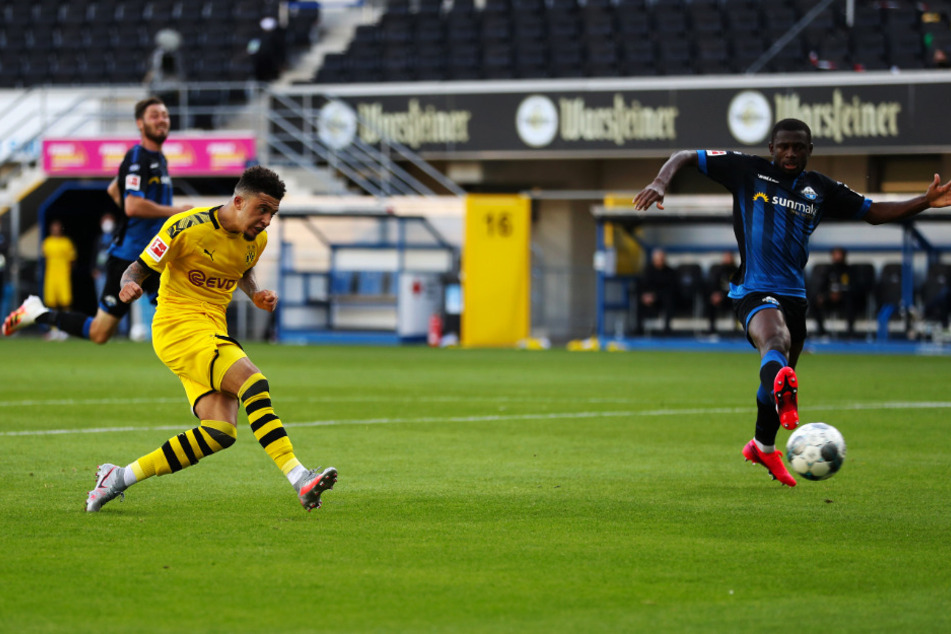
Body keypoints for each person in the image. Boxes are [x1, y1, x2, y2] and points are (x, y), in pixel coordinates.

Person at [632, 118, 951, 487]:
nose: (790, 153)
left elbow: (874, 212)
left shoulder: (821, 188)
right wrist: (660, 181)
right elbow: (685, 155)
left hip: (795, 296)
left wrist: (925, 202)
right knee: (775, 341)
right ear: (771, 148)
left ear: (809, 150)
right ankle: (776, 400)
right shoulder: (746, 170)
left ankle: (763, 446)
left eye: (798, 147)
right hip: (752, 288)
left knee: (777, 378)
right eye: (783, 146)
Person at [85, 165, 337, 513]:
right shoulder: (186, 227)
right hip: (178, 327)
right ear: (237, 200)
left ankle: (116, 477)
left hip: (212, 330)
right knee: (253, 382)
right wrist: (129, 284)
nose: (266, 220)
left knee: (219, 432)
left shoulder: (257, 239)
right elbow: (138, 266)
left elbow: (242, 267)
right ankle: (300, 478)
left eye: (273, 213)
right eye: (261, 209)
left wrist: (254, 293)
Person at [3, 97, 191, 340]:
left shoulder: (159, 159)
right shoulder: (138, 156)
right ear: (140, 123)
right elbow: (132, 206)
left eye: (165, 115)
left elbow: (115, 189)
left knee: (181, 317)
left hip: (155, 254)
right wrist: (175, 212)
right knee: (100, 332)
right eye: (154, 115)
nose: (162, 120)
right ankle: (37, 313)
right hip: (129, 257)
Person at [41, 219, 77, 339]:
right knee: (51, 303)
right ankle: (54, 329)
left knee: (66, 302)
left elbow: (72, 260)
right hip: (51, 276)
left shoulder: (67, 242)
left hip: (63, 276)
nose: (55, 230)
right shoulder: (47, 242)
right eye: (53, 227)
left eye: (57, 227)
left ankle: (66, 329)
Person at [811, 246, 856, 338]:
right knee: (814, 301)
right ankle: (822, 332)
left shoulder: (849, 271)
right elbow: (823, 286)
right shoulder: (828, 270)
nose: (837, 257)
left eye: (839, 254)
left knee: (851, 301)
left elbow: (853, 287)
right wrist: (823, 295)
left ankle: (850, 333)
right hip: (830, 298)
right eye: (835, 254)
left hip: (845, 298)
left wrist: (840, 294)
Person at [633, 247, 677, 335]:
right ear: (653, 259)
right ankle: (639, 328)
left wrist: (655, 296)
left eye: (661, 259)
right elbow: (641, 285)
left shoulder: (670, 272)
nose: (660, 261)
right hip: (649, 298)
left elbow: (671, 288)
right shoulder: (647, 270)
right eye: (658, 259)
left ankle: (667, 329)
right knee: (639, 300)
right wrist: (645, 296)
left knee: (668, 300)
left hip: (662, 298)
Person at [705, 251, 738, 335]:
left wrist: (725, 294)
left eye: (729, 257)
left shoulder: (737, 271)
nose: (727, 259)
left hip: (732, 296)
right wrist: (715, 294)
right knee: (711, 301)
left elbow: (738, 286)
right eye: (726, 257)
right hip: (720, 296)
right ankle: (712, 328)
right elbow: (713, 284)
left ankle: (736, 329)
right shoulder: (718, 270)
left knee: (738, 302)